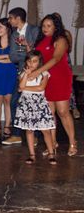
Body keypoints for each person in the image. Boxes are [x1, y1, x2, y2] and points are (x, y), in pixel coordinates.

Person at [31, 13, 77, 157]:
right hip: (46, 78)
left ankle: (72, 142)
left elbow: (56, 59)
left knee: (63, 112)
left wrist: (38, 71)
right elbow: (37, 58)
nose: (45, 28)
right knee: (49, 114)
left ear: (56, 27)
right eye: (43, 26)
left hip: (60, 77)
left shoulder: (61, 39)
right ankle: (53, 143)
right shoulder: (41, 40)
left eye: (49, 26)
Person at [3, 7, 40, 145]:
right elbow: (12, 57)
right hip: (21, 73)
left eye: (11, 18)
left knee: (33, 103)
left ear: (18, 18)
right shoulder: (14, 34)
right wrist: (27, 54)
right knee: (14, 102)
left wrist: (26, 50)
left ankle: (35, 135)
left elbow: (37, 54)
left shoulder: (34, 30)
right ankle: (17, 134)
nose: (9, 20)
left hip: (35, 73)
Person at [13, 51, 56, 164]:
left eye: (35, 61)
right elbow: (20, 86)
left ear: (39, 62)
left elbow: (40, 88)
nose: (32, 63)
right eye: (29, 61)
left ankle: (51, 153)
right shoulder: (23, 73)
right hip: (26, 104)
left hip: (39, 104)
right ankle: (32, 154)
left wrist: (24, 88)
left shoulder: (44, 73)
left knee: (45, 130)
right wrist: (26, 75)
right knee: (29, 130)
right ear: (26, 61)